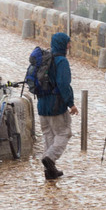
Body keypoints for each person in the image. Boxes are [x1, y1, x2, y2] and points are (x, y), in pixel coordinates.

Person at [38, 32, 79, 180]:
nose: (70, 45)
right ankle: (50, 158)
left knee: (49, 136)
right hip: (56, 105)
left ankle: (50, 171)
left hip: (42, 105)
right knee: (64, 133)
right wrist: (71, 104)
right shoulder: (61, 61)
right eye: (68, 42)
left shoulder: (44, 59)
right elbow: (63, 84)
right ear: (63, 44)